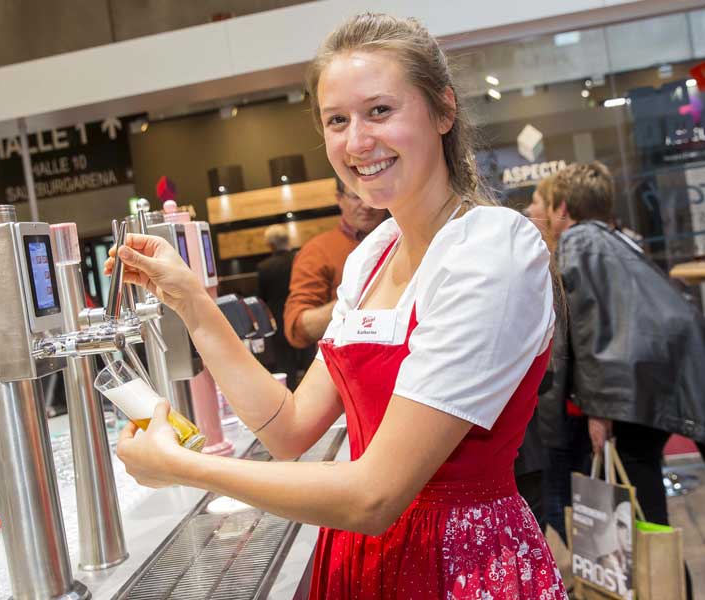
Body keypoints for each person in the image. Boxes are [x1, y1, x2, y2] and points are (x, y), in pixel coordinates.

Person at [106, 14, 566, 598]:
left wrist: (183, 466)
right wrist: (191, 301)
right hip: (359, 560)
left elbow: (375, 495)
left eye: (380, 111)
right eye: (337, 121)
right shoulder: (373, 256)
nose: (357, 142)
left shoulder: (491, 248)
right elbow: (290, 429)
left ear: (443, 110)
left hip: (460, 566)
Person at [550, 162, 705, 529]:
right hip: (663, 369)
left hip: (634, 389)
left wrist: (600, 410)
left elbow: (592, 325)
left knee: (642, 495)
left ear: (563, 209)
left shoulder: (579, 240)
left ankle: (662, 578)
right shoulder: (619, 238)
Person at [524, 174, 592, 542]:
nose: (531, 208)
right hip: (563, 416)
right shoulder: (556, 255)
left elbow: (568, 349)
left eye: (538, 199)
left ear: (558, 209)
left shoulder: (569, 254)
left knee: (560, 507)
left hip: (563, 418)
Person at [283, 177, 386, 352]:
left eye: (374, 195)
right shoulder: (317, 250)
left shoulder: (406, 239)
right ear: (340, 199)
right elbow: (297, 328)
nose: (367, 206)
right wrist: (354, 302)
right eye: (356, 197)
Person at [256, 225, 298, 387]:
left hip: (278, 319)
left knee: (285, 363)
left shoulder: (264, 267)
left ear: (271, 245)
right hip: (300, 314)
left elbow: (262, 298)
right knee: (309, 360)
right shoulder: (299, 260)